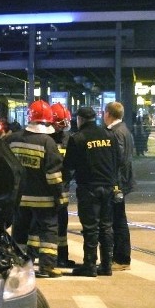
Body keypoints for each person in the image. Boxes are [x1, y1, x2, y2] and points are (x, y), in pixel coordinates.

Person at [4, 100, 63, 278]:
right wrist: (58, 195)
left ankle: (18, 264)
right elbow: (53, 175)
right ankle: (47, 267)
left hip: (19, 198)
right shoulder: (48, 142)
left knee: (20, 232)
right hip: (43, 199)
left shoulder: (12, 139)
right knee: (48, 232)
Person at [63, 107, 122, 277]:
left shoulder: (78, 138)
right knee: (106, 226)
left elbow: (69, 166)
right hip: (108, 186)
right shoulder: (110, 135)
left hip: (89, 187)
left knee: (90, 227)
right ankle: (106, 265)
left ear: (80, 119)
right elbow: (118, 160)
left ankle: (89, 264)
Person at [105, 102, 136, 271]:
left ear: (108, 114)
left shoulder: (115, 132)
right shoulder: (124, 130)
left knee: (118, 221)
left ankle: (121, 258)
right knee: (119, 219)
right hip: (123, 180)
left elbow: (120, 158)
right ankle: (120, 257)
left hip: (117, 182)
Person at [50, 103, 74, 267]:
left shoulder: (69, 139)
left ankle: (62, 257)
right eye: (60, 123)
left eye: (65, 123)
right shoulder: (46, 139)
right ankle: (48, 259)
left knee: (61, 226)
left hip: (62, 190)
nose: (63, 127)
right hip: (48, 190)